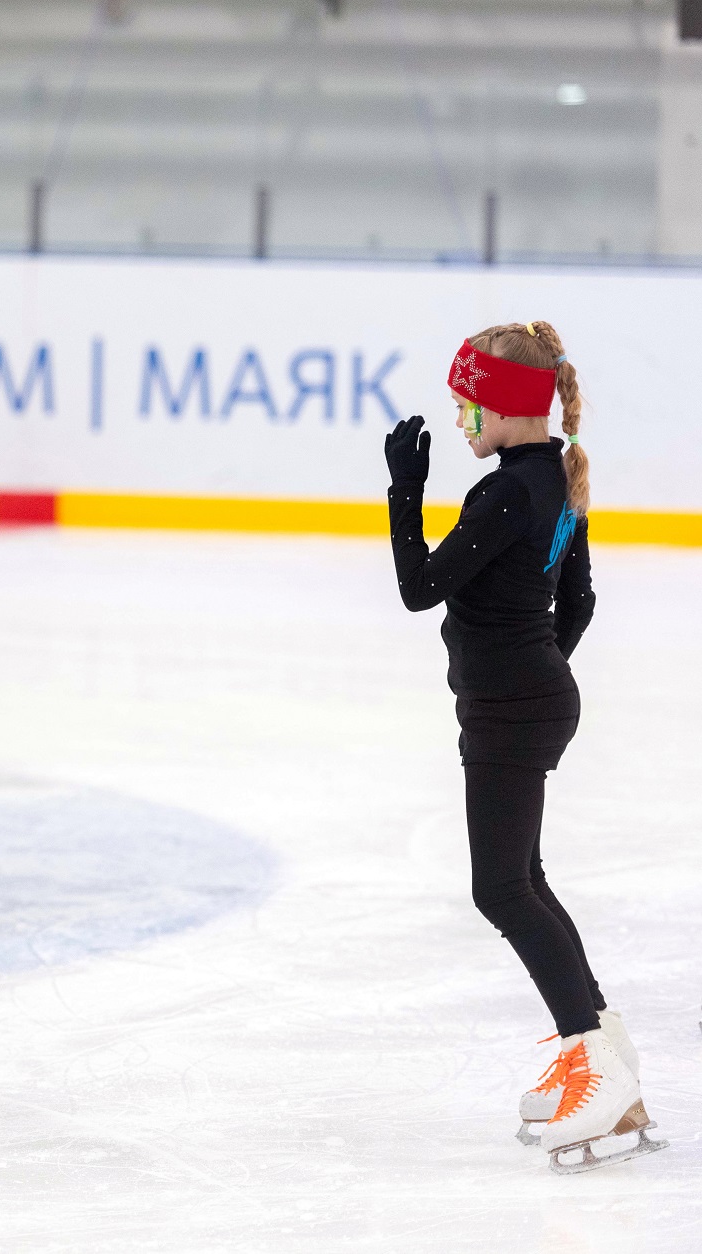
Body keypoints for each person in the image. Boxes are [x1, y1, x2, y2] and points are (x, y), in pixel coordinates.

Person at [383, 321, 664, 1175]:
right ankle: (606, 1056)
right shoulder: (552, 479)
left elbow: (418, 588)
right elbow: (574, 608)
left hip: (510, 711)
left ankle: (595, 1061)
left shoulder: (506, 493)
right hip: (529, 702)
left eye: (468, 404)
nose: (460, 419)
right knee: (524, 881)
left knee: (500, 888)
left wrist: (404, 489)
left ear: (505, 407)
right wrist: (533, 672)